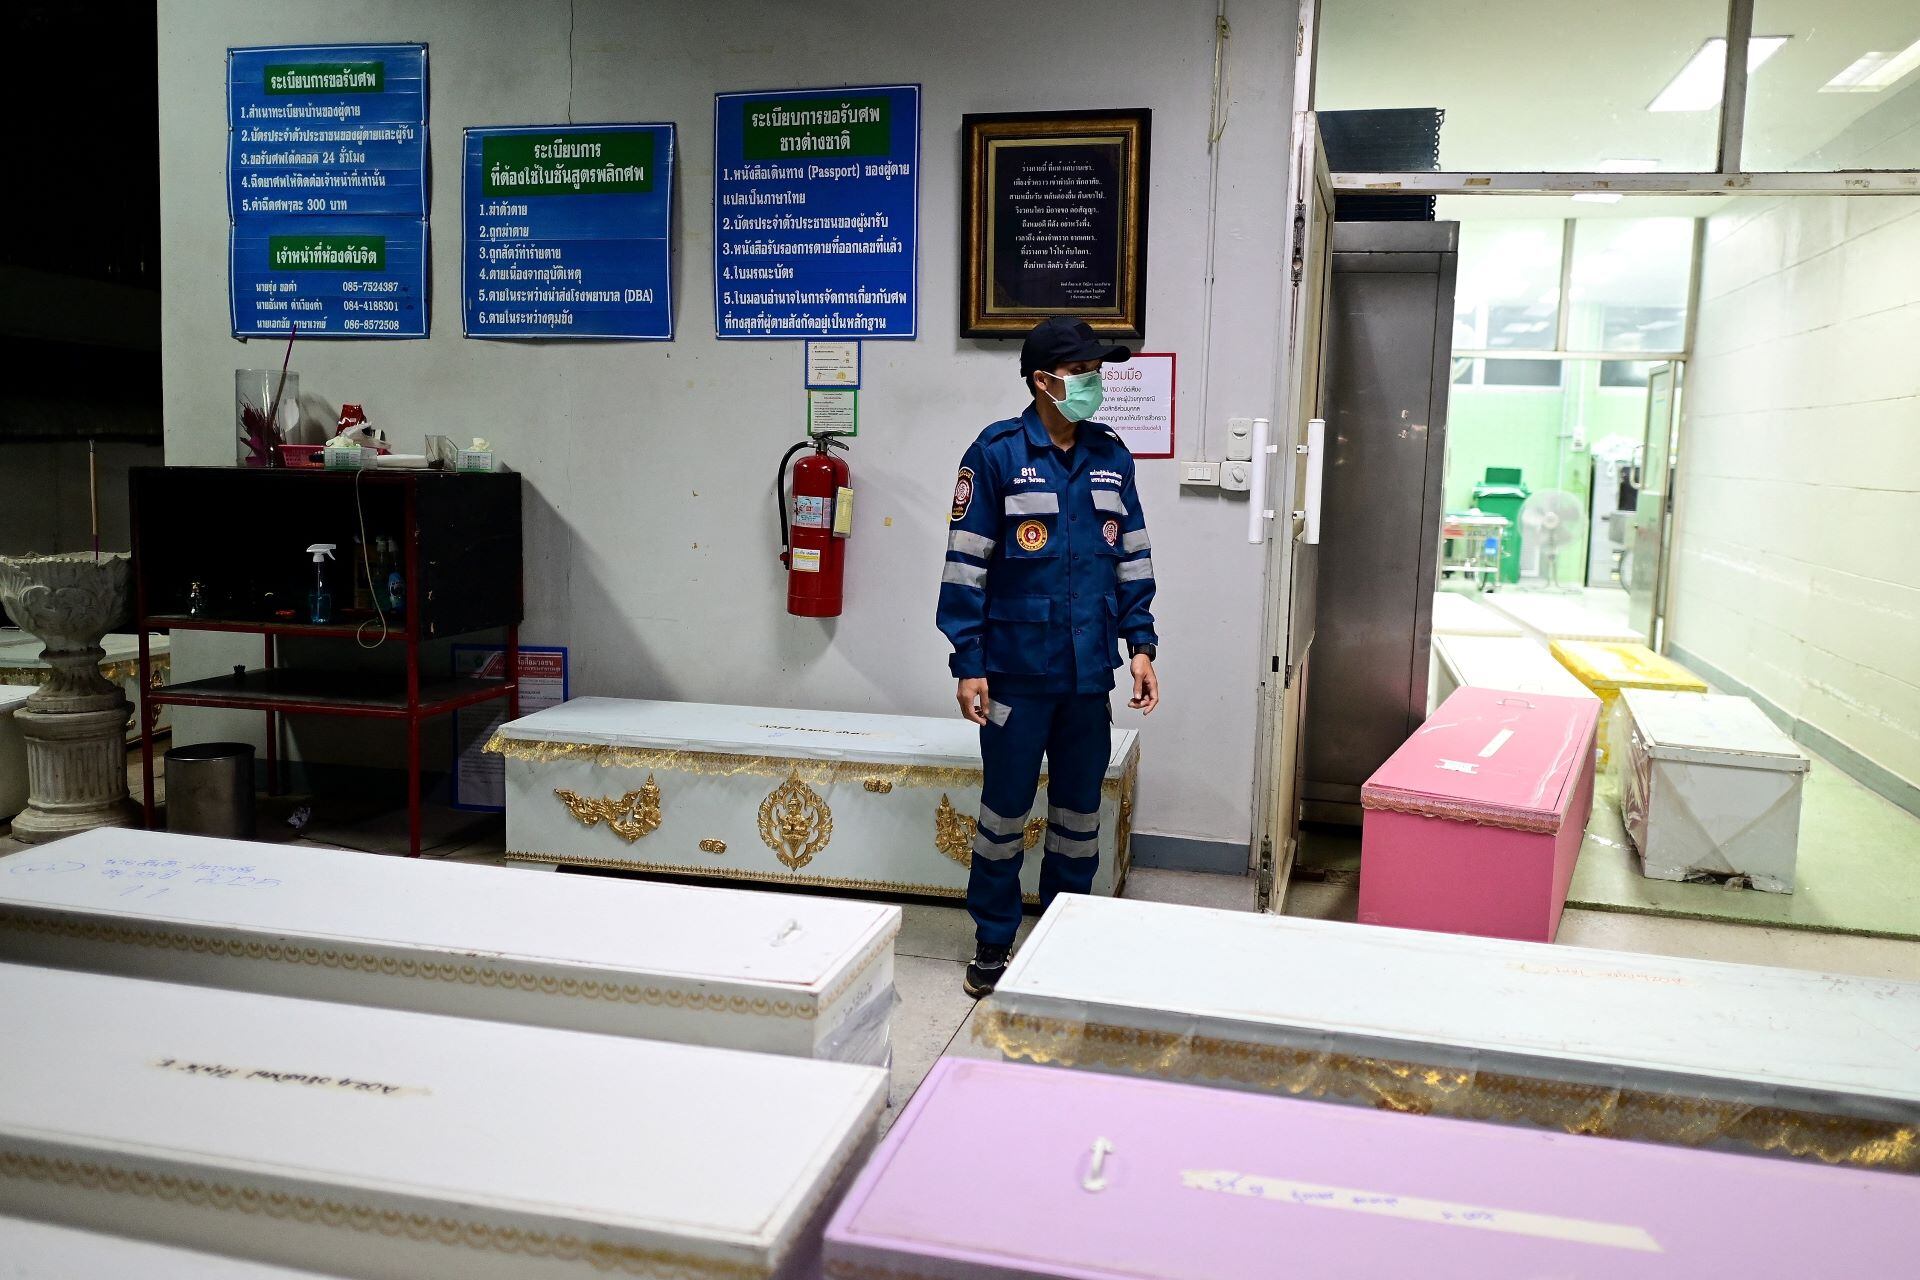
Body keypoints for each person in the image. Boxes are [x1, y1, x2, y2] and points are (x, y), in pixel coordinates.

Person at [937, 317, 1160, 998]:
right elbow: (964, 568)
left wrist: (1142, 644)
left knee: (1077, 814)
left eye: (1099, 372)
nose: (1096, 384)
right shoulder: (997, 453)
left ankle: (1065, 936)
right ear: (1044, 380)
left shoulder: (1110, 454)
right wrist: (968, 662)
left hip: (1086, 673)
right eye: (1084, 373)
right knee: (1004, 814)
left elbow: (1132, 556)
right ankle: (993, 940)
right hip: (1014, 673)